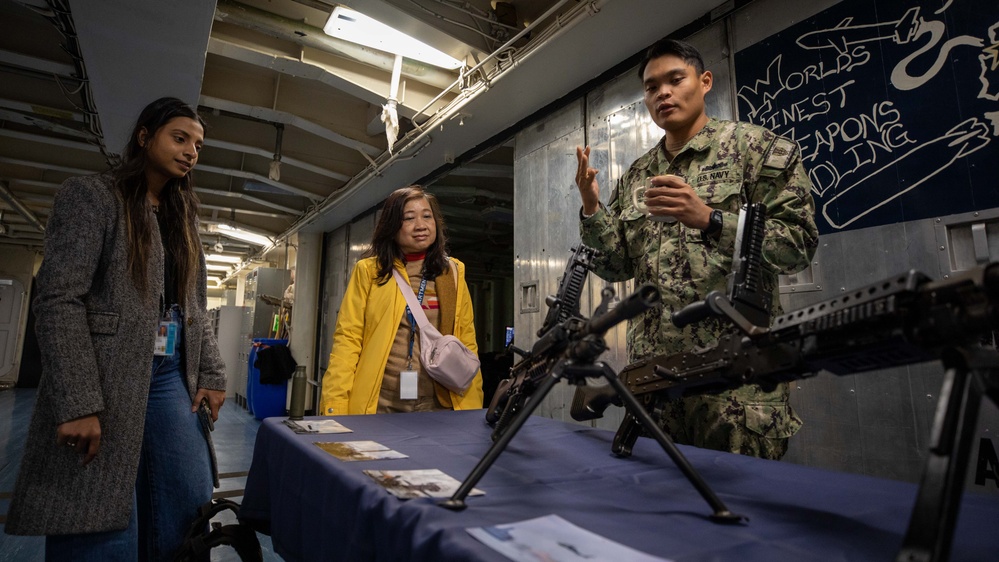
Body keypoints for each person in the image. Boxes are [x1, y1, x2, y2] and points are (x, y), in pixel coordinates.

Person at [5, 97, 227, 561]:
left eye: (199, 145)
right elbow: (59, 297)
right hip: (105, 369)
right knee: (97, 510)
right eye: (180, 138)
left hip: (169, 373)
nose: (191, 152)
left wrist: (211, 373)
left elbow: (195, 306)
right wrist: (79, 401)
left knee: (187, 494)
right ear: (144, 137)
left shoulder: (182, 216)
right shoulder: (93, 196)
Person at [574, 39, 819, 460]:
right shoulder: (638, 174)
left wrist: (711, 219)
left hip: (734, 386)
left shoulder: (757, 151)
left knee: (742, 512)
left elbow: (797, 245)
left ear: (704, 82)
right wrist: (593, 207)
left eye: (675, 80)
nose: (663, 93)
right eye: (652, 88)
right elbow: (616, 266)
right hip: (656, 388)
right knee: (663, 515)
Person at [320, 185, 483, 415]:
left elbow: (467, 341)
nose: (421, 226)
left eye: (427, 216)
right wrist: (334, 405)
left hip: (440, 403)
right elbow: (348, 340)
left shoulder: (452, 273)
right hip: (381, 403)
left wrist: (472, 404)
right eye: (409, 218)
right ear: (392, 226)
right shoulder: (370, 272)